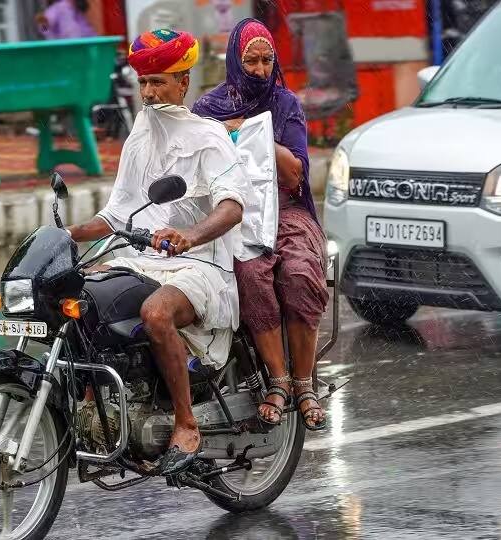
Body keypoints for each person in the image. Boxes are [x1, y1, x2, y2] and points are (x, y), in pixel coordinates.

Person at [67, 29, 250, 474]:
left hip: (200, 265)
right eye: (144, 82)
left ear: (183, 81)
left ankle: (186, 424)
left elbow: (232, 206)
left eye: (159, 82)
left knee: (155, 313)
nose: (149, 93)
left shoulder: (207, 136)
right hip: (142, 258)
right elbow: (117, 214)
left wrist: (191, 235)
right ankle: (101, 415)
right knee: (77, 299)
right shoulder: (140, 137)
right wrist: (65, 234)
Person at [192, 19, 329, 431]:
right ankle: (278, 379)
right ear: (235, 60)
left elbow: (295, 175)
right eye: (250, 60)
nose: (259, 69)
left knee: (300, 271)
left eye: (267, 60)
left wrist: (255, 134)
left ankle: (304, 383)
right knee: (250, 272)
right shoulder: (208, 109)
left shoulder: (286, 105)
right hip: (235, 211)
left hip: (286, 211)